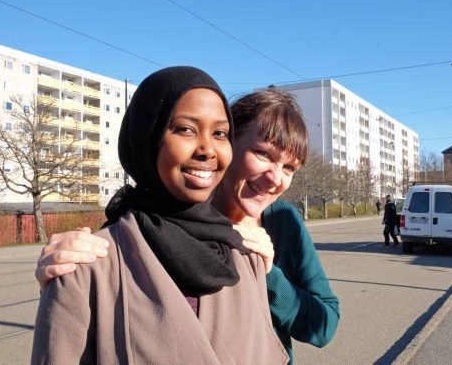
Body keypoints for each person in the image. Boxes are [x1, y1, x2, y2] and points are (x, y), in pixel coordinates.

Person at [35, 89, 340, 364]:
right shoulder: (160, 223)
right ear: (225, 145)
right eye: (263, 154)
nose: (276, 178)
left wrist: (270, 275)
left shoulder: (282, 220)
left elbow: (324, 325)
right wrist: (62, 276)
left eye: (289, 168)